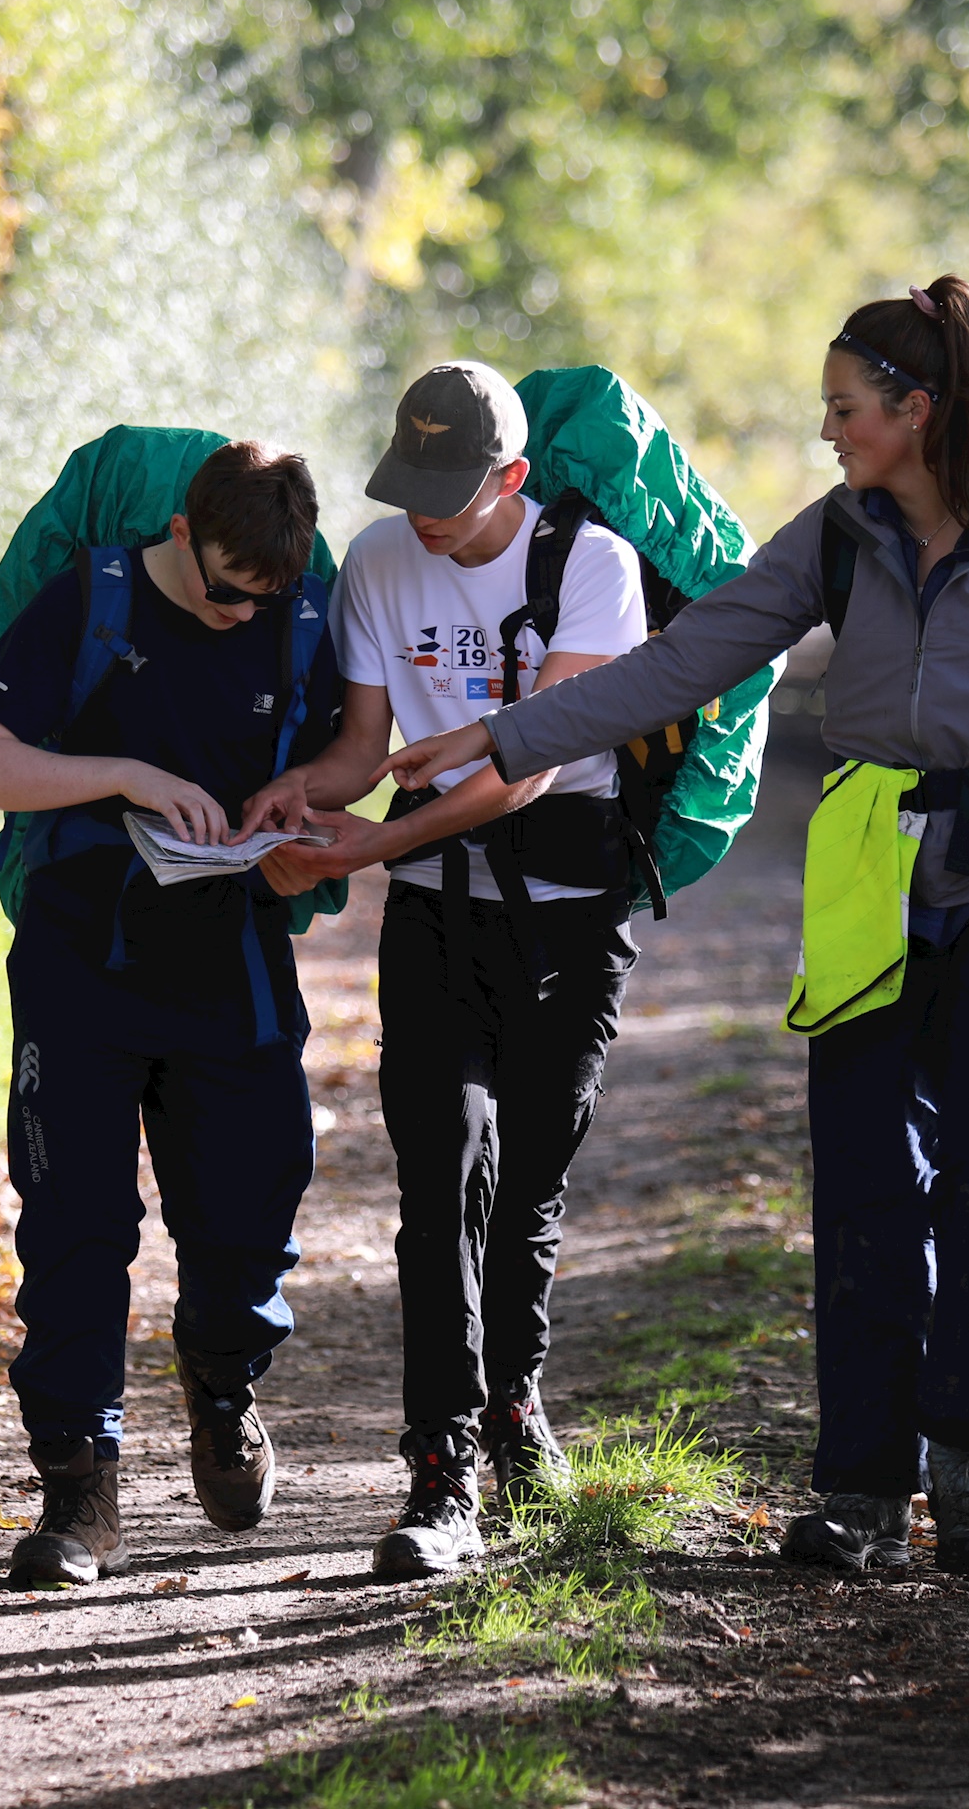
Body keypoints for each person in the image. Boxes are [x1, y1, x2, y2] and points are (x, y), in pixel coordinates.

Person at [380, 280, 969, 1577]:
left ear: (916, 414)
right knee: (868, 1183)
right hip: (872, 882)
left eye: (845, 408)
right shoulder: (835, 541)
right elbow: (681, 662)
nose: (828, 431)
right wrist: (502, 734)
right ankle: (865, 1494)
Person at [237, 361, 647, 1579]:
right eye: (410, 483)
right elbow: (366, 748)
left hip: (569, 914)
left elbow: (527, 765)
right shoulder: (377, 561)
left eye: (451, 492)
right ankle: (442, 1465)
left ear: (512, 477)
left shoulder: (594, 571)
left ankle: (517, 1407)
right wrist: (291, 803)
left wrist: (366, 846)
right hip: (433, 913)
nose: (424, 512)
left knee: (526, 1186)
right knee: (439, 1176)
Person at [0, 441, 344, 1586]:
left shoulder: (296, 612)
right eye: (223, 588)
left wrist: (299, 807)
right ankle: (80, 1491)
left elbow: (341, 761)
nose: (238, 616)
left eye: (262, 597)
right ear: (179, 535)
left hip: (236, 966)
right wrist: (122, 772)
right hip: (83, 959)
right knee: (74, 1221)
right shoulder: (95, 599)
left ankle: (223, 1387)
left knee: (245, 1218)